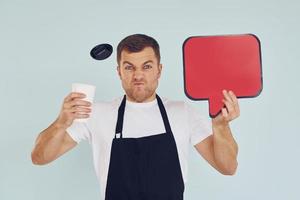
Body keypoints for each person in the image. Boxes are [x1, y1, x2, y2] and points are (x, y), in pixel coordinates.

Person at [31, 34, 239, 200]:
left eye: (147, 66)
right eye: (129, 67)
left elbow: (227, 167)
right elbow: (39, 158)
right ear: (119, 71)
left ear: (159, 70)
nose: (138, 75)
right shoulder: (96, 113)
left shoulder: (182, 112)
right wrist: (61, 123)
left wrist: (220, 126)